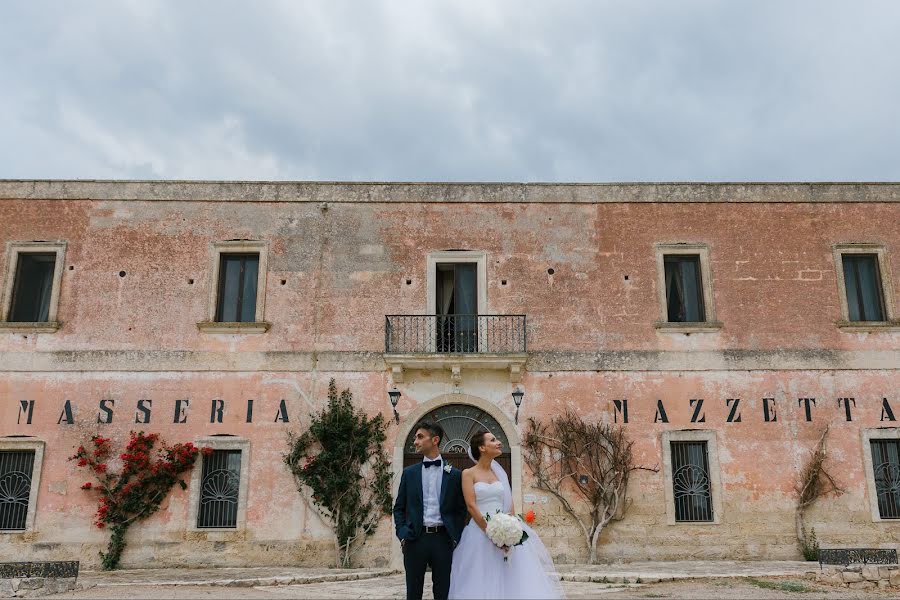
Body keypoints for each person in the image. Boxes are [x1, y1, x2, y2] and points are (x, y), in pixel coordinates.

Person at [448, 430, 563, 599]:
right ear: (482, 447)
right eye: (493, 440)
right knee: (481, 578)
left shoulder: (500, 474)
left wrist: (511, 531)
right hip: (479, 534)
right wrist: (492, 533)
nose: (498, 442)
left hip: (505, 533)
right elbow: (471, 506)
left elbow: (509, 505)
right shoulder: (468, 474)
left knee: (511, 578)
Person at [393, 422, 467, 600]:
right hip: (415, 539)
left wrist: (454, 536)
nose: (415, 441)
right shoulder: (409, 473)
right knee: (413, 592)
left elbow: (461, 510)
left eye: (419, 436)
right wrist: (402, 533)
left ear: (435, 440)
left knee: (443, 592)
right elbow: (399, 507)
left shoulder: (455, 474)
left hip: (443, 540)